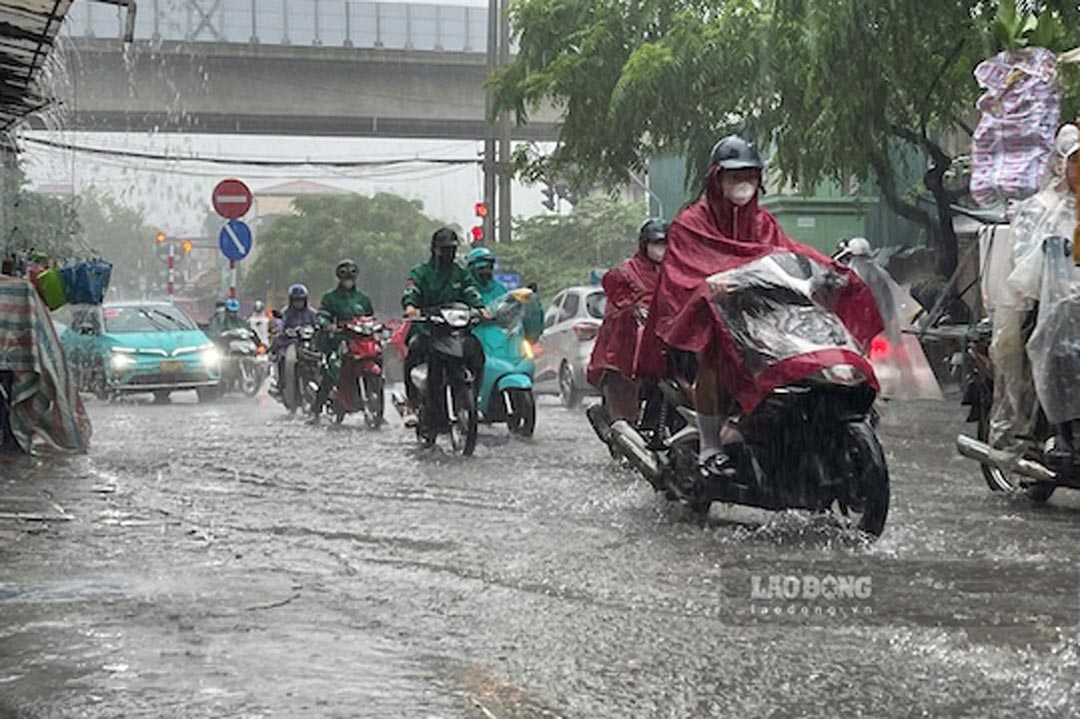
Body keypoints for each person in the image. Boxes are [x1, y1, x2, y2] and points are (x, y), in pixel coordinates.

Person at [639, 135, 882, 473]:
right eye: (735, 175)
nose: (743, 183)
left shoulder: (763, 222)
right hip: (711, 318)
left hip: (762, 317)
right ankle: (710, 447)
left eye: (750, 175)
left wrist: (828, 272)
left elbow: (788, 254)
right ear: (717, 178)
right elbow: (683, 273)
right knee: (714, 356)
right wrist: (711, 288)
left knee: (809, 348)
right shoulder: (690, 223)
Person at [400, 228, 489, 428]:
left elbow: (471, 291)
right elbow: (411, 290)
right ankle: (411, 403)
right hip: (428, 329)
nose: (449, 253)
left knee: (476, 352)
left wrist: (480, 308)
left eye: (452, 249)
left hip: (456, 332)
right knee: (414, 350)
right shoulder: (421, 272)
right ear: (435, 249)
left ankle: (473, 399)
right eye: (445, 249)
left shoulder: (460, 272)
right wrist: (411, 307)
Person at [587, 218, 668, 423]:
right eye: (657, 243)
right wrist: (634, 310)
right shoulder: (627, 272)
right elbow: (619, 303)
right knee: (622, 391)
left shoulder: (675, 272)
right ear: (644, 244)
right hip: (627, 348)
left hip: (665, 345)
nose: (662, 249)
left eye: (666, 243)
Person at [310, 260, 376, 422]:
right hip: (339, 341)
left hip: (360, 341)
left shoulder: (363, 299)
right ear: (339, 278)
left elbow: (371, 318)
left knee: (375, 358)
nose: (348, 281)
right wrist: (329, 326)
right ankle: (316, 410)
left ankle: (376, 406)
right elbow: (322, 315)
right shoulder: (330, 298)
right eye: (345, 278)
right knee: (332, 370)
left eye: (351, 278)